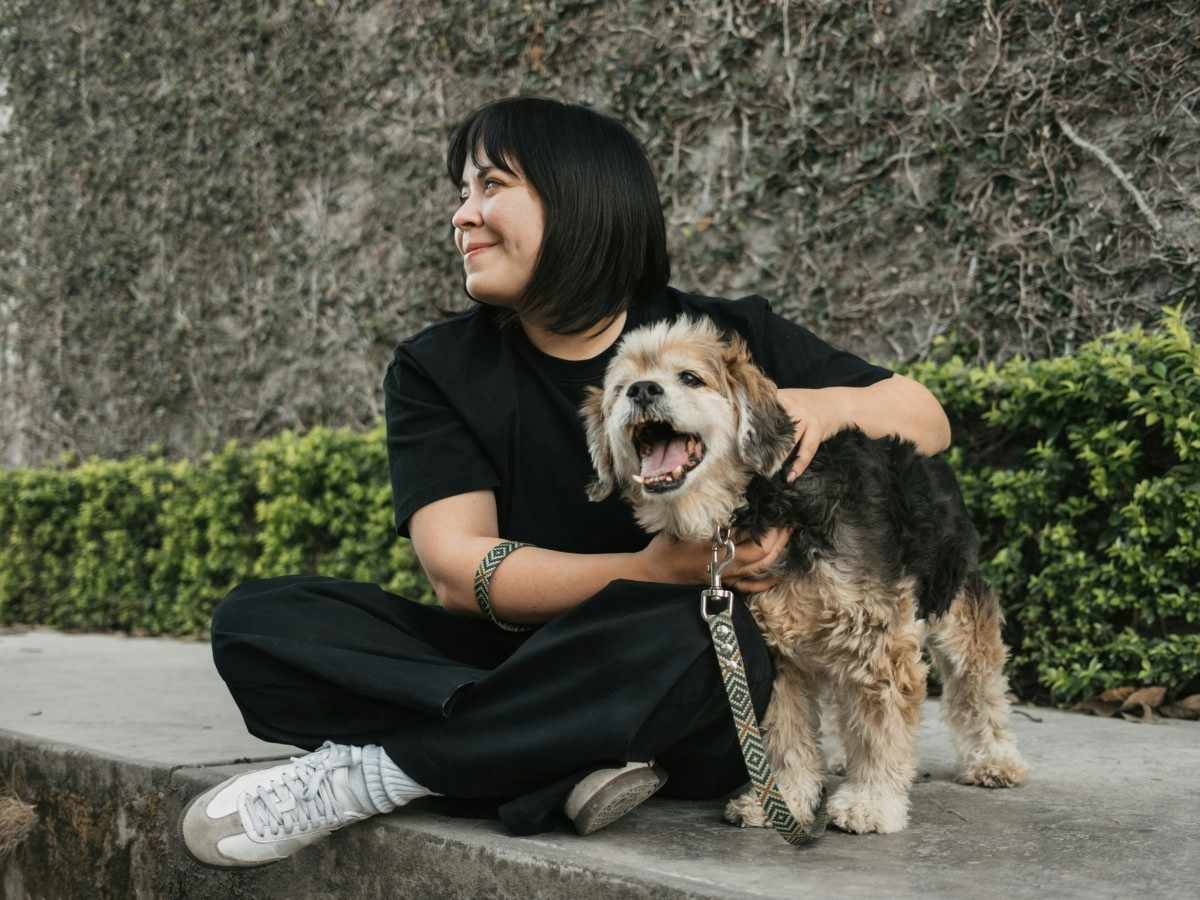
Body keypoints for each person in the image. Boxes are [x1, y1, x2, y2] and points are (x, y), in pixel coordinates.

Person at [180, 97, 951, 868]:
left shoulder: (713, 335)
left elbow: (925, 416)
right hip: (519, 657)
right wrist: (649, 570)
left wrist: (821, 402)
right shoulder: (438, 367)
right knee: (261, 621)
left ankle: (386, 772)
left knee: (699, 629)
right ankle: (562, 758)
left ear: (580, 198)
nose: (463, 216)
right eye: (461, 193)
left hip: (677, 663)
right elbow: (456, 570)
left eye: (490, 188)